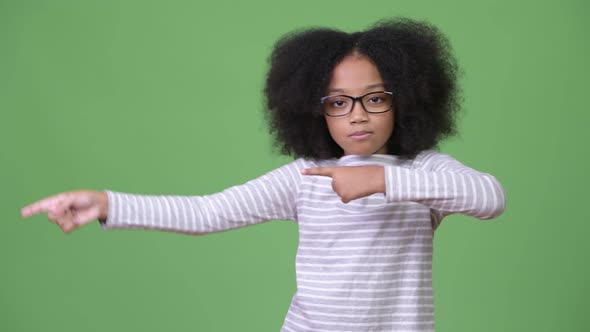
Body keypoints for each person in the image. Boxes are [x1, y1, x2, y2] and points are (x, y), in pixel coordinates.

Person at [21, 18, 506, 332]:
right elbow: (208, 212)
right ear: (314, 112)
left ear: (406, 98)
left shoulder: (424, 172)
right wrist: (108, 203)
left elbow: (489, 197)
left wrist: (383, 180)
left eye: (374, 98)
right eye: (338, 103)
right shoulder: (307, 177)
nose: (357, 115)